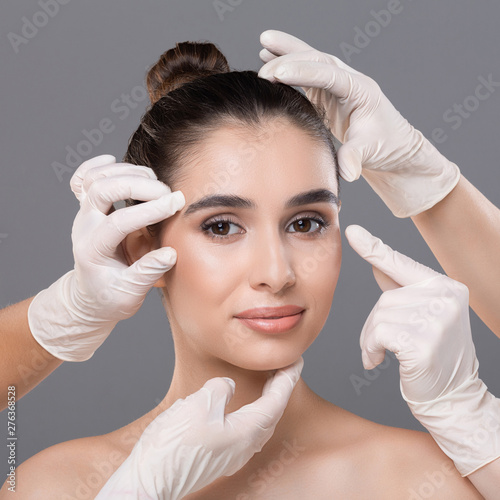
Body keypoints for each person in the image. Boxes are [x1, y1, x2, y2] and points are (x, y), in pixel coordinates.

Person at [2, 39, 496, 499]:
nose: (276, 272)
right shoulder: (53, 486)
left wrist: (471, 418)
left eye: (305, 223)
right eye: (221, 227)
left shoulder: (423, 479)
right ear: (139, 248)